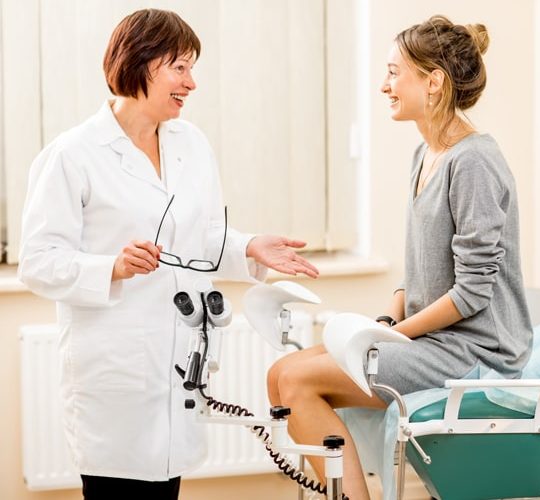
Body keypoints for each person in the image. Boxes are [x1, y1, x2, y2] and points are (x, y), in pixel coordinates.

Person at [18, 8, 318, 500]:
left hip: (179, 360)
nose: (191, 83)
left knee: (166, 486)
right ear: (140, 63)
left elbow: (202, 238)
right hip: (115, 371)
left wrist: (248, 247)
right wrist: (112, 267)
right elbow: (37, 260)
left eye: (191, 68)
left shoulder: (191, 144)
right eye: (179, 68)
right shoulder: (72, 154)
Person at [267, 15, 533, 500]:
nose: (383, 85)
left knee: (300, 381)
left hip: (474, 355)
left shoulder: (473, 162)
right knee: (279, 375)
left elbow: (472, 293)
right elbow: (422, 272)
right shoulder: (424, 155)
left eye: (394, 73)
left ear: (433, 82)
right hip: (431, 341)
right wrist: (386, 320)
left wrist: (395, 335)